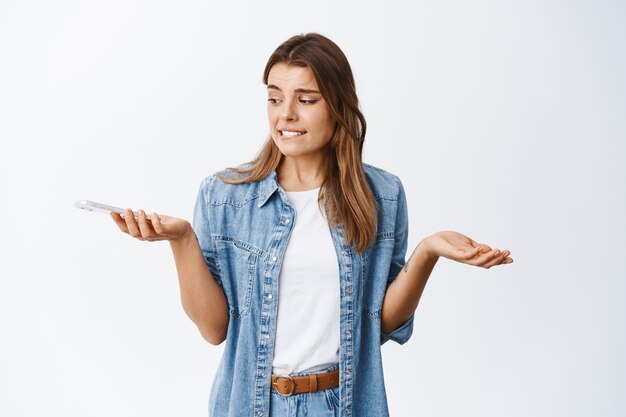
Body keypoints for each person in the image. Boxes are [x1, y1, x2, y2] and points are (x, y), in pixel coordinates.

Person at [111, 33, 513, 417]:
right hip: (251, 403)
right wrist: (181, 241)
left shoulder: (383, 195)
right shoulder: (224, 196)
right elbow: (215, 329)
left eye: (305, 99)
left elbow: (382, 323)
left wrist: (427, 252)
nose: (285, 114)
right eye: (274, 98)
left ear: (338, 105)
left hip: (344, 403)